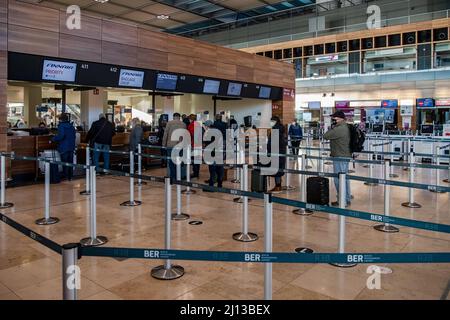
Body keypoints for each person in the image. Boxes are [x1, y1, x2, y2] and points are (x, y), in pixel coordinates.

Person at [323, 110, 352, 207]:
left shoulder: (340, 128)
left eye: (334, 118)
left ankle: (342, 201)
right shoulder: (345, 127)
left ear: (339, 118)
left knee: (338, 179)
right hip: (344, 155)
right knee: (345, 179)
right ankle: (346, 199)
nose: (333, 119)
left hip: (340, 156)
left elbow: (326, 136)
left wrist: (332, 127)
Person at [204, 115, 227, 191]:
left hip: (212, 152)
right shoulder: (221, 130)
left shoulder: (210, 132)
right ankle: (220, 184)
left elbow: (207, 142)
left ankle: (211, 186)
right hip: (220, 151)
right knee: (219, 168)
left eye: (206, 126)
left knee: (212, 169)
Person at [162, 113, 186, 182]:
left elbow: (165, 134)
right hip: (179, 145)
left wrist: (163, 145)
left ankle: (173, 177)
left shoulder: (169, 123)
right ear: (179, 117)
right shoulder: (183, 124)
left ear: (173, 117)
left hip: (170, 145)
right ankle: (179, 177)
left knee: (171, 162)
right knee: (178, 161)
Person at [52, 113, 76, 181]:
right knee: (70, 162)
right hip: (71, 146)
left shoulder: (61, 126)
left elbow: (61, 136)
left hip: (64, 147)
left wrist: (53, 138)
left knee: (65, 162)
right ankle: (70, 176)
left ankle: (65, 176)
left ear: (61, 119)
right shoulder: (72, 126)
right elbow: (74, 136)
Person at [268, 116, 287, 194]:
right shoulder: (281, 129)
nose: (270, 122)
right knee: (279, 168)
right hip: (281, 151)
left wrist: (269, 151)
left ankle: (278, 186)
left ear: (275, 121)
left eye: (271, 121)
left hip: (276, 152)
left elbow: (272, 143)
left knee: (276, 169)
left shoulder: (276, 130)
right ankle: (278, 185)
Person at [187, 114, 202, 179]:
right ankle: (197, 173)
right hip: (199, 144)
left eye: (189, 119)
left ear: (191, 119)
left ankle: (195, 173)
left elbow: (191, 135)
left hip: (193, 144)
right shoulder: (198, 124)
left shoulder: (191, 125)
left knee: (194, 159)